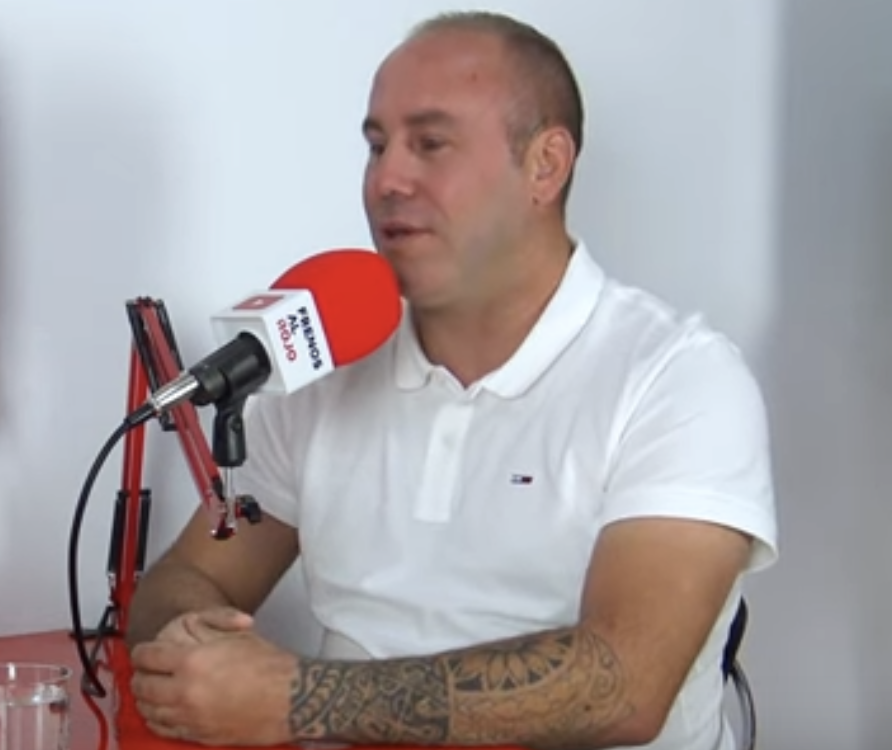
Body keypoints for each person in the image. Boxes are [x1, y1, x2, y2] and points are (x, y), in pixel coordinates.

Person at [126, 10, 778, 750]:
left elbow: (621, 684)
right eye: (377, 146)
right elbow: (186, 577)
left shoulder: (679, 379)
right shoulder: (319, 368)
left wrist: (298, 699)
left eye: (430, 144)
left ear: (545, 165)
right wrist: (196, 654)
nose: (387, 179)